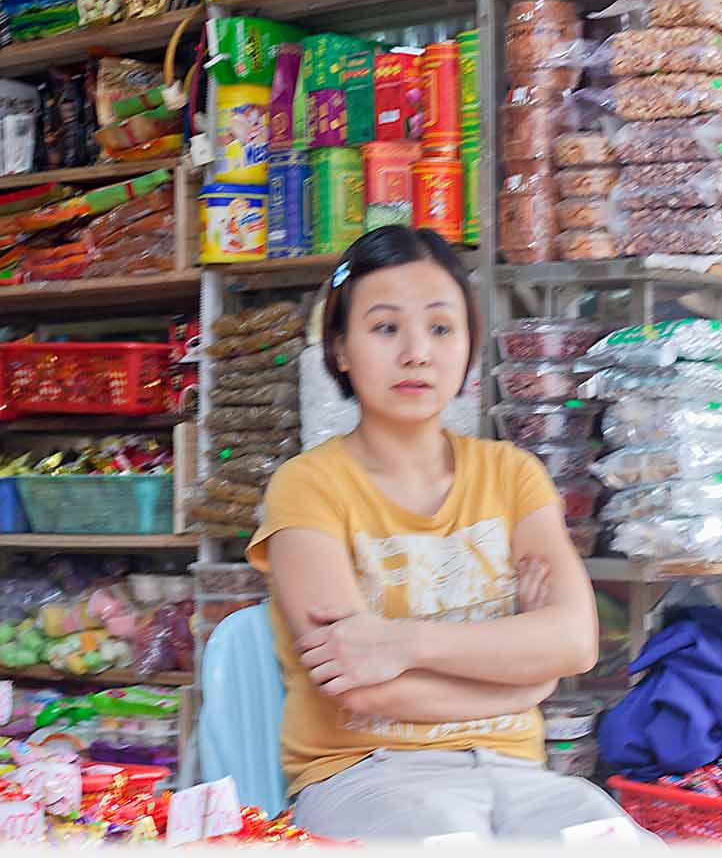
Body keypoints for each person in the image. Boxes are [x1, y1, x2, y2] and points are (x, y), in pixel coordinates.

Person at [245, 227, 649, 842]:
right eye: (385, 328)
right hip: (364, 776)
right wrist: (523, 678)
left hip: (519, 774)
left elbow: (574, 641)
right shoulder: (307, 487)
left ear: (468, 346)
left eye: (440, 328)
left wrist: (403, 643)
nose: (416, 353)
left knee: (614, 839)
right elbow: (363, 690)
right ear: (341, 350)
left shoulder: (513, 473)